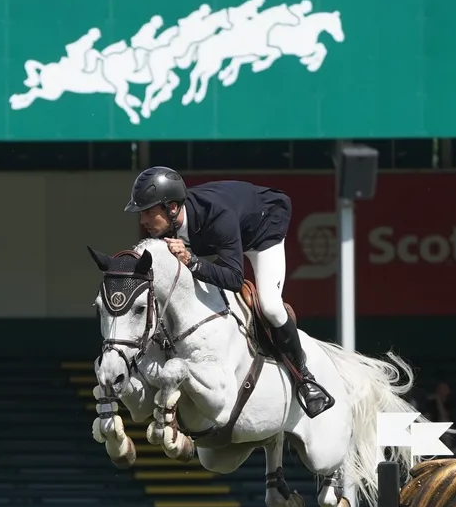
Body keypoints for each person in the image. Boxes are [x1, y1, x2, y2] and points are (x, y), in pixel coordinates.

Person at [124, 166, 331, 417]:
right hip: (224, 241)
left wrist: (192, 261)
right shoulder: (168, 222)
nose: (142, 220)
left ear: (173, 207)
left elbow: (234, 278)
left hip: (261, 231)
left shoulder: (217, 216)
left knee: (271, 306)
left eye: (148, 212)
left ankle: (306, 379)